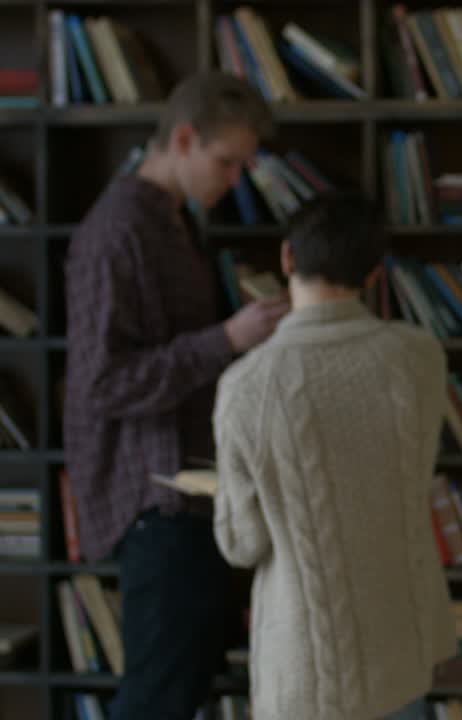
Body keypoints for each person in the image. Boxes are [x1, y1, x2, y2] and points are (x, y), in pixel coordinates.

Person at [63, 72, 286, 719]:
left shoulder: (172, 225)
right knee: (156, 703)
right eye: (226, 162)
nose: (235, 180)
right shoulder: (117, 231)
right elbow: (102, 381)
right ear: (183, 138)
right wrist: (226, 338)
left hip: (188, 499)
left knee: (177, 695)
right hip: (154, 502)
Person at [212, 194, 456, 720]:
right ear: (373, 275)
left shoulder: (246, 385)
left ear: (286, 259)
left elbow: (241, 542)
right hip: (401, 647)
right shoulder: (419, 358)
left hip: (308, 668)